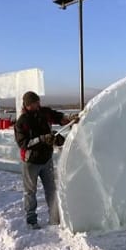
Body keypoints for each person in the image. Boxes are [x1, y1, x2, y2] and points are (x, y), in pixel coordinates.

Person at [14, 91, 79, 229]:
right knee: (30, 192)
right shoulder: (22, 122)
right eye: (35, 102)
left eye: (38, 101)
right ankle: (31, 221)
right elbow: (23, 144)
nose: (39, 104)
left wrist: (69, 120)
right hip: (31, 162)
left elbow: (58, 117)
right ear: (28, 105)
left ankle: (55, 219)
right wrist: (43, 139)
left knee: (51, 190)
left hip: (46, 159)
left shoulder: (44, 113)